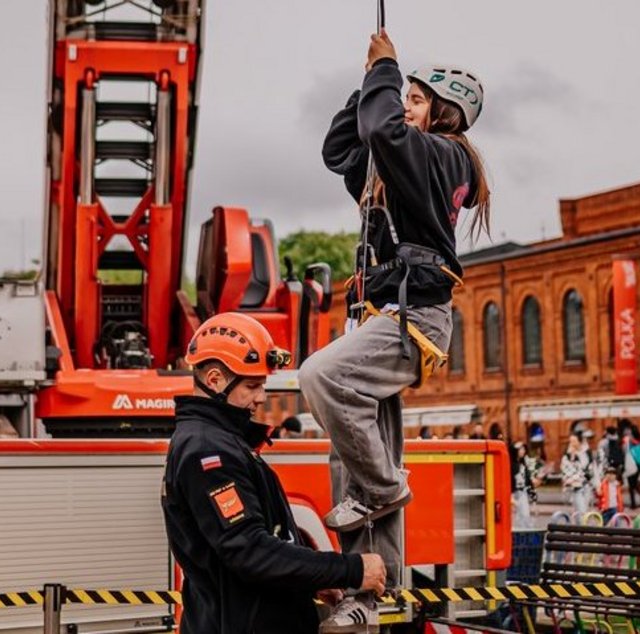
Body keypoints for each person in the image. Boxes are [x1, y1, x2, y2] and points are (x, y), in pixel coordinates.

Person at [300, 27, 491, 630]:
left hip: (413, 318)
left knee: (321, 378)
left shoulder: (444, 155)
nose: (403, 106)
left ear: (444, 112)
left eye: (415, 98)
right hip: (384, 315)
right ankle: (367, 594)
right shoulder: (401, 164)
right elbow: (341, 148)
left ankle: (384, 487)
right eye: (402, 96)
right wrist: (368, 83)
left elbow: (383, 131)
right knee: (349, 461)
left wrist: (386, 69)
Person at [162, 313, 387, 634]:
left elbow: (266, 542)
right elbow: (250, 551)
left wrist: (310, 579)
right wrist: (350, 569)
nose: (261, 397)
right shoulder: (208, 452)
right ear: (214, 380)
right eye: (252, 386)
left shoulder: (217, 441)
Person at [561, 432, 594, 515]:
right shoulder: (567, 455)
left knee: (584, 509)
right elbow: (565, 469)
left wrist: (596, 484)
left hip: (586, 485)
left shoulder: (586, 453)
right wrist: (572, 457)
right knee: (581, 510)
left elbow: (591, 467)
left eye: (574, 441)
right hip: (576, 486)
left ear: (579, 442)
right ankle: (580, 522)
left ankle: (580, 523)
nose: (572, 444)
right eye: (570, 441)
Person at [510, 441, 537, 527]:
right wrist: (510, 496)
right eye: (520, 449)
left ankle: (524, 531)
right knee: (516, 516)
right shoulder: (511, 464)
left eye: (524, 449)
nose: (523, 451)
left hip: (522, 492)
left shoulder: (523, 464)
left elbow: (527, 479)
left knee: (524, 515)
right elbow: (509, 479)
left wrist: (532, 492)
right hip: (514, 493)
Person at [623, 424, 640, 509]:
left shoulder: (629, 441)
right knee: (634, 484)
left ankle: (633, 504)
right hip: (639, 464)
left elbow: (625, 451)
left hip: (631, 464)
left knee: (631, 485)